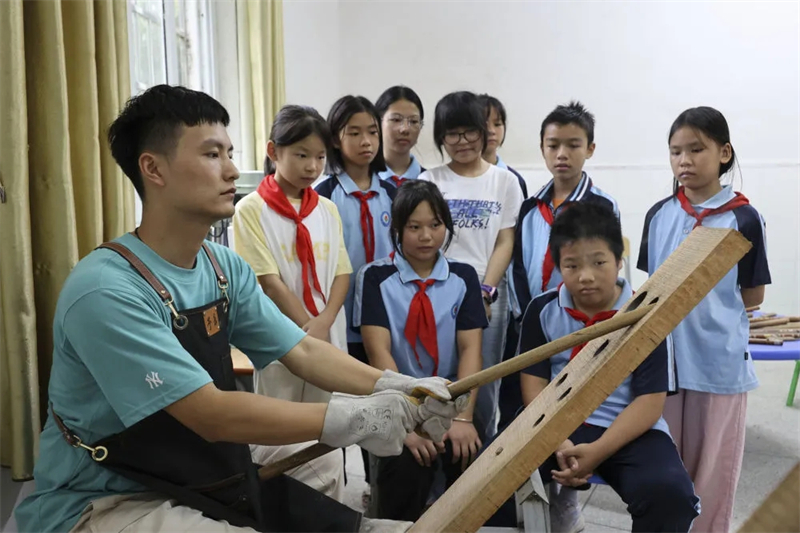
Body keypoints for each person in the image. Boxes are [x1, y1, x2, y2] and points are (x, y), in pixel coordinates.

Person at [14, 85, 465, 533]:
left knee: (323, 466)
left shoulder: (222, 267)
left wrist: (398, 386)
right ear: (153, 168)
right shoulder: (107, 289)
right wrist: (356, 416)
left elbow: (303, 351)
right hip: (108, 496)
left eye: (229, 153)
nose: (232, 170)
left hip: (198, 461)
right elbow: (210, 414)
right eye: (212, 155)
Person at [519, 202, 698, 532]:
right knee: (489, 482)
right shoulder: (542, 310)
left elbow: (649, 403)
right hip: (551, 422)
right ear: (559, 266)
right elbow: (534, 388)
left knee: (670, 497)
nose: (585, 276)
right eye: (572, 265)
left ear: (618, 261)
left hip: (626, 426)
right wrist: (558, 441)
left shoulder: (647, 314)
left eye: (599, 262)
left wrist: (598, 451)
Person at [638, 106, 770, 533]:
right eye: (676, 152)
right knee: (666, 468)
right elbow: (651, 287)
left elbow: (753, 295)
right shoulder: (659, 214)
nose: (685, 161)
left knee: (713, 471)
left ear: (724, 153)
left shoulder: (743, 218)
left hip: (718, 364)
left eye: (696, 149)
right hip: (665, 366)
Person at [232, 105, 351, 499]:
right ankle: (280, 506)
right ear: (273, 151)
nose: (312, 166)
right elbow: (268, 280)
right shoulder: (251, 209)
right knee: (279, 424)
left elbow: (342, 272)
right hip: (280, 332)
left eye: (320, 157)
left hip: (324, 331)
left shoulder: (327, 208)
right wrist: (306, 329)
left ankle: (330, 506)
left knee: (330, 421)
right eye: (301, 154)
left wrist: (324, 322)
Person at [354, 180, 487, 521]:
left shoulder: (464, 277)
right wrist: (407, 423)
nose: (426, 236)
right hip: (398, 400)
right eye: (414, 227)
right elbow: (378, 353)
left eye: (435, 225)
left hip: (453, 399)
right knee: (404, 471)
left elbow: (471, 350)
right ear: (397, 229)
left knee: (476, 464)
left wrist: (462, 417)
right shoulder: (375, 277)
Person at [498, 101, 620, 435]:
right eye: (553, 145)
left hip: (578, 323)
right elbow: (517, 267)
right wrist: (530, 317)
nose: (562, 154)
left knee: (572, 410)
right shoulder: (530, 207)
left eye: (573, 145)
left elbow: (608, 267)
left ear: (590, 149)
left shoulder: (603, 206)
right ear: (542, 149)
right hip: (529, 326)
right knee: (519, 412)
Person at [419, 90, 524, 439]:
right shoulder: (429, 181)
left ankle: (479, 459)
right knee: (437, 376)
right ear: (441, 137)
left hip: (487, 290)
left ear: (484, 132)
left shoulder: (505, 181)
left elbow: (505, 240)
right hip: (436, 291)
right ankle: (436, 462)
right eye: (452, 134)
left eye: (470, 132)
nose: (462, 141)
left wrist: (486, 291)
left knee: (483, 380)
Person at [314, 94, 397, 492]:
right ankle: (350, 485)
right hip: (341, 318)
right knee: (349, 408)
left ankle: (382, 490)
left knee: (385, 400)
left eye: (372, 132)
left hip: (385, 319)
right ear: (335, 139)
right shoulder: (324, 194)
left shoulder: (394, 192)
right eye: (354, 133)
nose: (366, 141)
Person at [478, 94, 528, 198]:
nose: (491, 131)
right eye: (484, 125)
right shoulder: (455, 176)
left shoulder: (514, 180)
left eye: (497, 124)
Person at [376, 86, 426, 187]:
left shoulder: (429, 180)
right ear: (377, 123)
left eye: (413, 121)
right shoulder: (362, 179)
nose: (405, 129)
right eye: (396, 120)